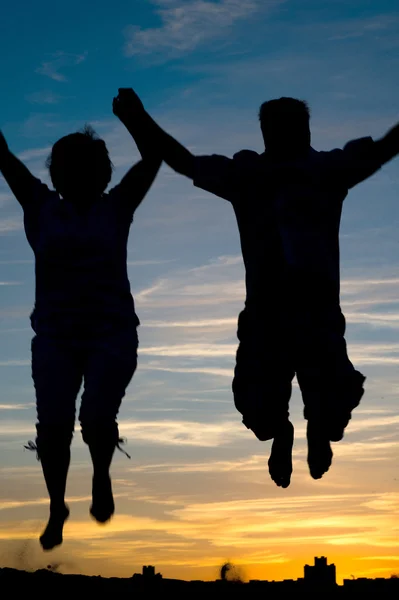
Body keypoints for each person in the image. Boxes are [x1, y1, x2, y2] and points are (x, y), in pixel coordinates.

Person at [119, 89, 399, 487]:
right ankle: (287, 432)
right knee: (260, 411)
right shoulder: (253, 174)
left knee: (332, 409)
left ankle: (318, 426)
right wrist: (137, 119)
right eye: (276, 129)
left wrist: (138, 118)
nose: (282, 136)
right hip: (271, 317)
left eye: (289, 128)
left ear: (303, 130)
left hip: (312, 315)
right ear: (267, 133)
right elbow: (182, 161)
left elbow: (386, 148)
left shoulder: (321, 170)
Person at [0, 89, 161, 550]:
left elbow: (153, 157)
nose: (79, 176)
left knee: (95, 417)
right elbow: (3, 155)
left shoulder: (117, 207)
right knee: (52, 427)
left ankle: (102, 476)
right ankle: (57, 505)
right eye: (69, 168)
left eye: (88, 168)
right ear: (58, 173)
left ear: (102, 174)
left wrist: (135, 116)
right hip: (54, 337)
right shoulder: (40, 206)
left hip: (111, 333)